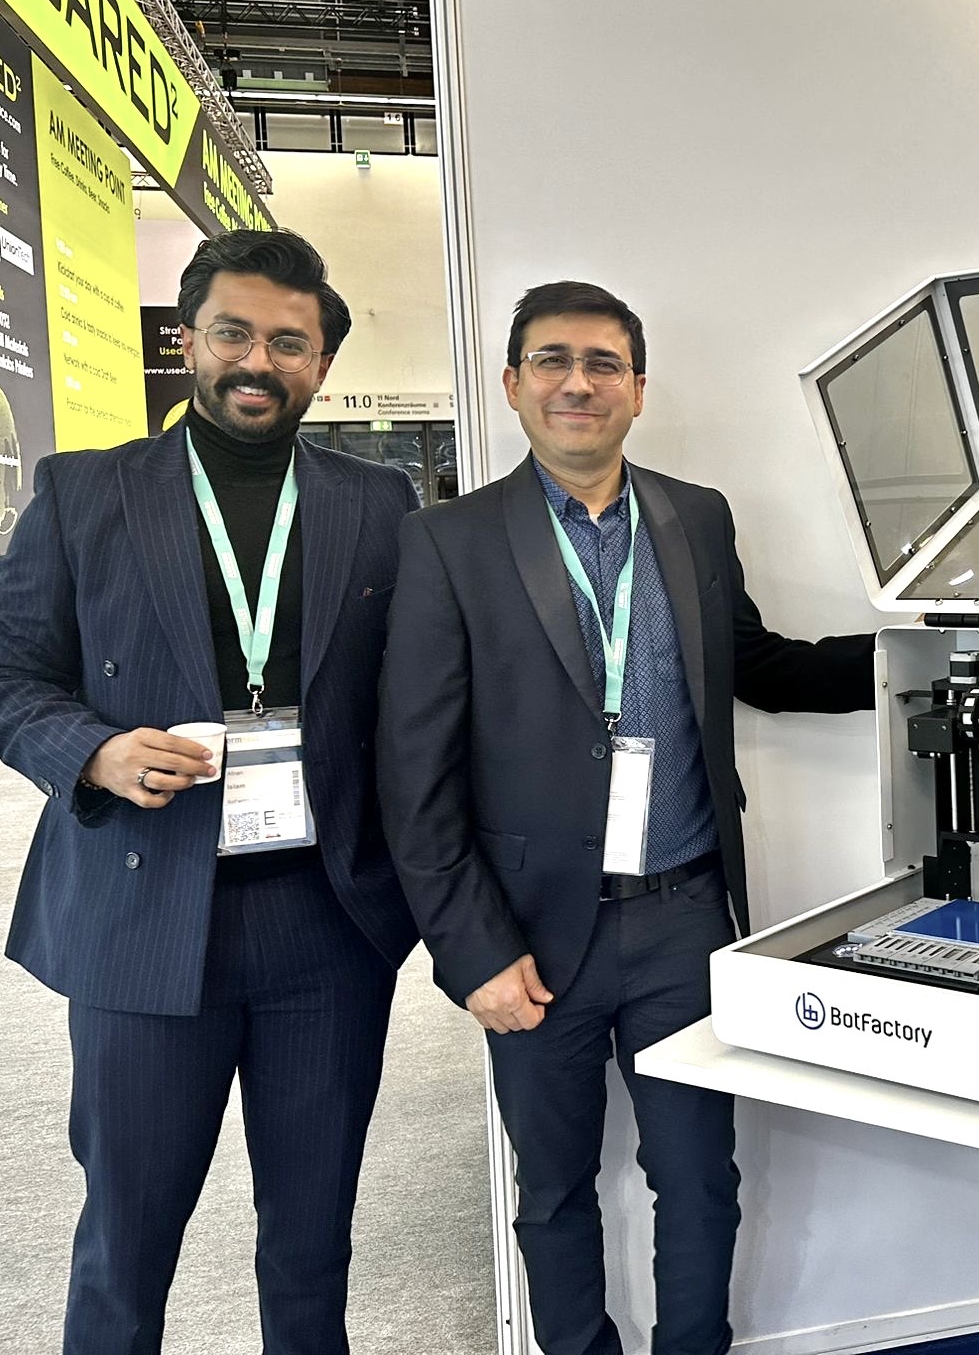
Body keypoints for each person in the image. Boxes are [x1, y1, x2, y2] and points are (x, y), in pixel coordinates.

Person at [378, 280, 873, 1355]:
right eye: (551, 361)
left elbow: (758, 665)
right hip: (527, 935)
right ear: (512, 385)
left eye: (603, 363)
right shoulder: (448, 541)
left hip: (682, 916)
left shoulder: (696, 517)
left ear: (637, 390)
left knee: (698, 1179)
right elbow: (413, 777)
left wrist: (916, 651)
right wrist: (471, 950)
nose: (578, 383)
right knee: (554, 1189)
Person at [0, 229, 419, 1355]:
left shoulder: (378, 502)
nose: (257, 361)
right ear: (187, 340)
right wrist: (94, 752)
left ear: (321, 363)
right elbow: (3, 681)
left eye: (288, 343)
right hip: (143, 915)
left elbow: (420, 696)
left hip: (327, 924)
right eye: (232, 333)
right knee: (126, 1246)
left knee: (311, 1247)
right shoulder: (84, 493)